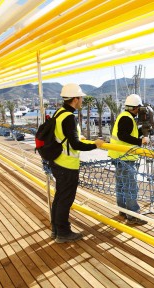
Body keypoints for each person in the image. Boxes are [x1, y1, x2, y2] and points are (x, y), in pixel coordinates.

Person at [50, 83, 104, 243]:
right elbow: (75, 145)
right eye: (81, 98)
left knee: (59, 197)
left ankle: (56, 229)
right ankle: (63, 233)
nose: (82, 101)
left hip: (57, 161)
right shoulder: (69, 118)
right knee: (65, 200)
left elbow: (66, 138)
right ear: (75, 99)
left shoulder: (58, 113)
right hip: (67, 166)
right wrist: (95, 144)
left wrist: (77, 138)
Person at [108, 94, 149, 225]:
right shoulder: (126, 118)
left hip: (118, 156)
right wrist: (140, 141)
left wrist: (141, 132)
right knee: (130, 187)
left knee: (121, 185)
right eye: (139, 109)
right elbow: (122, 136)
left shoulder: (125, 116)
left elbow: (128, 133)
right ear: (135, 108)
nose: (140, 111)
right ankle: (133, 215)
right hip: (125, 158)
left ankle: (122, 209)